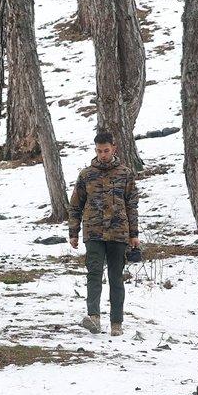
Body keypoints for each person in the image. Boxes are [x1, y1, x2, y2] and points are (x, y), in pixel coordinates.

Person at [68, 130, 139, 336]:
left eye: (106, 150)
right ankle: (94, 318)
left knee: (116, 277)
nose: (102, 155)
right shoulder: (86, 175)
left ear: (114, 148)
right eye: (99, 151)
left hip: (118, 232)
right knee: (94, 273)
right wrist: (73, 232)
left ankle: (116, 323)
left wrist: (134, 234)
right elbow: (76, 205)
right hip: (93, 232)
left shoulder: (125, 174)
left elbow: (132, 205)